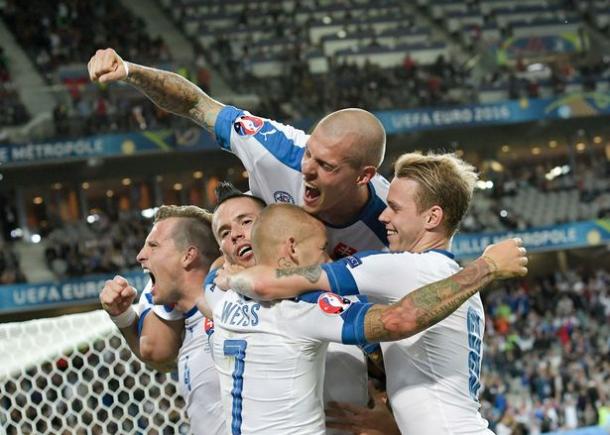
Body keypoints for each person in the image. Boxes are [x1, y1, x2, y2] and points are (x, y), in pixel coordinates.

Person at [217, 152, 526, 434]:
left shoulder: (402, 268)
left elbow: (268, 284)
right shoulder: (454, 283)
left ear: (432, 218)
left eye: (394, 208)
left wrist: (235, 277)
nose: (382, 217)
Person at [87, 48, 389, 258]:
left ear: (364, 176)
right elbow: (196, 104)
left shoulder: (392, 218)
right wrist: (129, 70)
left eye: (326, 166)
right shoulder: (277, 149)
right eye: (310, 153)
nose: (307, 169)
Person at [206, 182, 375, 434]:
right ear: (222, 249)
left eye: (245, 221)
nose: (236, 234)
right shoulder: (220, 293)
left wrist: (391, 417)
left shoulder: (334, 289)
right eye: (224, 232)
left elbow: (388, 359)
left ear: (272, 225)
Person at [99, 205, 225, 435]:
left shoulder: (235, 310)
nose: (140, 255)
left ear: (188, 256)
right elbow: (157, 355)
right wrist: (124, 318)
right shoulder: (187, 324)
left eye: (153, 245)